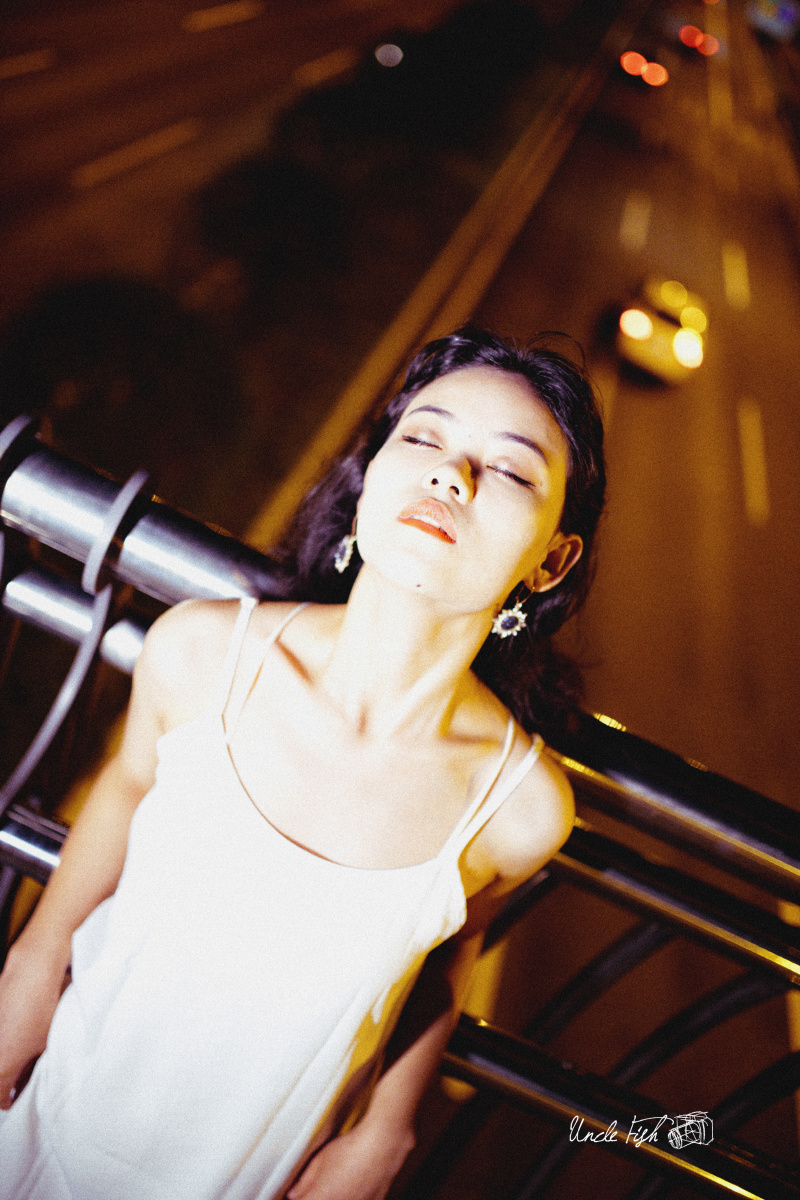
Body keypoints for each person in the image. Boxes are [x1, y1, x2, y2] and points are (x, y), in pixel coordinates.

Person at [0, 326, 605, 1200]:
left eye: (510, 470)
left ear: (551, 560)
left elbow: (452, 946)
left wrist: (388, 1128)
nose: (451, 475)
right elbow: (128, 784)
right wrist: (30, 964)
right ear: (370, 480)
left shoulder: (516, 809)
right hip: (47, 1105)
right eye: (424, 438)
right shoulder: (204, 655)